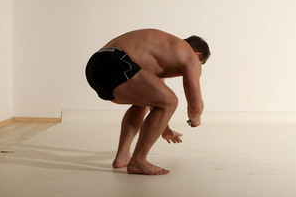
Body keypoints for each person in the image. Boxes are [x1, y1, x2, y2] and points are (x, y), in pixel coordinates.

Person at [85, 29, 210, 175]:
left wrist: (165, 128)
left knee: (146, 101)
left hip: (96, 66)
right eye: (200, 64)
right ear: (197, 55)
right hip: (114, 63)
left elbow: (155, 101)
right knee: (171, 101)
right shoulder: (189, 55)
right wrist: (195, 121)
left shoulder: (163, 51)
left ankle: (123, 156)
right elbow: (195, 107)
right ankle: (138, 161)